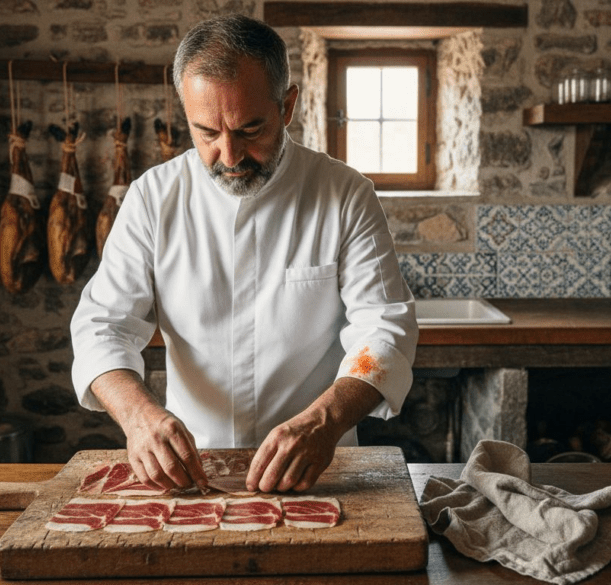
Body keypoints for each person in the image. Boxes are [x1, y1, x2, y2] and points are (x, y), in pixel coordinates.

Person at [70, 14, 417, 494]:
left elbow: (385, 328)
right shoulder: (152, 197)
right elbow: (102, 325)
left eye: (250, 129)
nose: (229, 156)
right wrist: (138, 417)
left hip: (319, 468)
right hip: (191, 470)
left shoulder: (345, 194)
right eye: (207, 132)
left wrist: (324, 421)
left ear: (287, 105)